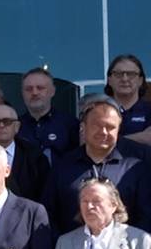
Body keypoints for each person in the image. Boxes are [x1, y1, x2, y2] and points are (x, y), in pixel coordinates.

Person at [42, 96, 151, 234]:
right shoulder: (62, 167)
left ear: (118, 130)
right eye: (97, 125)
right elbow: (48, 214)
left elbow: (146, 217)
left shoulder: (135, 169)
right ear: (83, 127)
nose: (104, 132)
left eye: (110, 127)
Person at [0, 105, 49, 200]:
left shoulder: (35, 156)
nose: (1, 125)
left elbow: (45, 195)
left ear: (17, 127)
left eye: (7, 122)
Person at [18, 68, 78, 163]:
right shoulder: (15, 126)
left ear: (52, 91)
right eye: (29, 89)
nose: (34, 93)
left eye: (40, 88)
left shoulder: (70, 124)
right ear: (22, 93)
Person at [105, 55, 151, 136]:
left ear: (140, 80)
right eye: (118, 74)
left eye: (131, 74)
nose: (124, 79)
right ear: (109, 80)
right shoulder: (98, 113)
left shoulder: (149, 111)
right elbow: (88, 142)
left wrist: (109, 141)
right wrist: (139, 137)